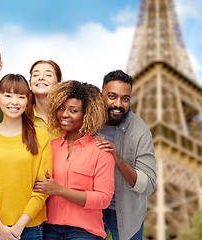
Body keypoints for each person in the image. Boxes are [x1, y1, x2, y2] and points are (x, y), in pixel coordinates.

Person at [0, 74, 52, 240]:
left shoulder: (41, 137)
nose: (14, 102)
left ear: (28, 100)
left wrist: (19, 226)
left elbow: (42, 188)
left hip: (29, 228)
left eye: (21, 97)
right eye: (8, 95)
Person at [33, 80, 115, 239]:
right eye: (62, 108)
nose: (64, 114)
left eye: (73, 110)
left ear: (87, 114)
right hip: (49, 230)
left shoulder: (101, 151)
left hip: (84, 233)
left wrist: (59, 190)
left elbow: (103, 199)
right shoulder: (50, 147)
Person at [97, 70, 157, 240]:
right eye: (112, 96)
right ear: (101, 95)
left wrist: (117, 159)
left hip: (125, 212)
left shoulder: (140, 131)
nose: (118, 104)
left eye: (125, 99)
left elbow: (148, 185)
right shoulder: (87, 120)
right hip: (91, 209)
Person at [28, 60, 64, 140]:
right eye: (36, 75)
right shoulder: (23, 118)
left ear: (58, 85)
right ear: (30, 85)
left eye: (48, 75)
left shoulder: (67, 116)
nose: (40, 78)